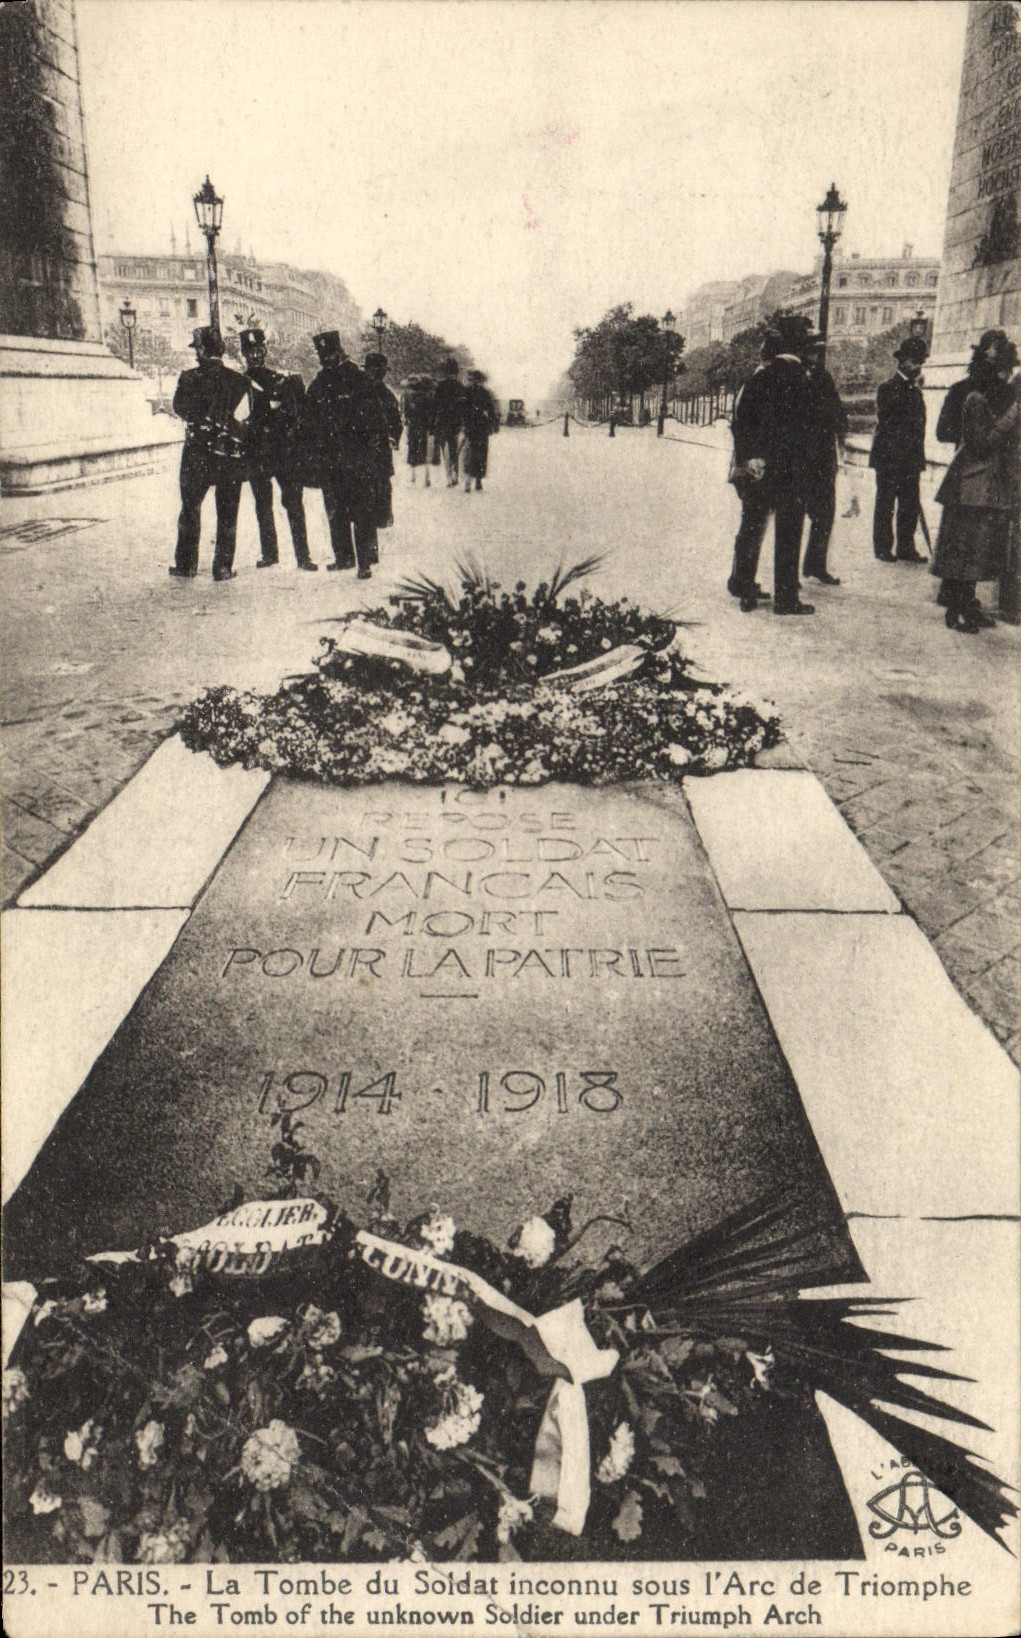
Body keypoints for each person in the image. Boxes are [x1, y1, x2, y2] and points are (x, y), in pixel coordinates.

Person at [930, 331, 1020, 633]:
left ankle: (966, 605)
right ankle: (957, 608)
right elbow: (978, 441)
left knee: (974, 548)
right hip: (971, 483)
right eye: (1006, 369)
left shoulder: (993, 394)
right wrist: (1006, 423)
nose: (1009, 376)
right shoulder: (975, 396)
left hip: (983, 482)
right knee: (965, 547)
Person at [726, 315, 816, 615]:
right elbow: (810, 431)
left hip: (760, 470)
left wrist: (751, 457)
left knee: (752, 526)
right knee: (789, 532)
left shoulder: (759, 377)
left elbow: (741, 423)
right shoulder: (802, 378)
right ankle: (786, 599)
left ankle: (743, 583)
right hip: (791, 471)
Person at [303, 331, 387, 578]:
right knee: (335, 508)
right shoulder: (319, 382)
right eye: (321, 355)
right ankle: (343, 558)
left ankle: (365, 562)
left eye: (329, 354)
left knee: (361, 510)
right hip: (330, 459)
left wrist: (372, 456)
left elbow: (375, 420)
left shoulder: (358, 379)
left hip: (357, 457)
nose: (325, 359)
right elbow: (308, 416)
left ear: (339, 352)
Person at [170, 326, 249, 581]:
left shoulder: (189, 378)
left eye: (198, 349)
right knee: (228, 511)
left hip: (197, 454)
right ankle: (223, 568)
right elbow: (246, 418)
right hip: (228, 454)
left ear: (203, 350)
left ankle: (186, 566)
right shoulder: (239, 381)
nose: (196, 354)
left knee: (190, 509)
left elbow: (180, 409)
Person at [238, 327, 317, 571]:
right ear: (243, 354)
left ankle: (303, 557)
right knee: (263, 504)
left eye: (259, 350)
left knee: (293, 503)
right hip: (256, 452)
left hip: (284, 452)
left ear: (265, 350)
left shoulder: (281, 380)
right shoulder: (238, 384)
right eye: (249, 351)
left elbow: (299, 414)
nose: (255, 355)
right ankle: (270, 553)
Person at [869, 335, 929, 563]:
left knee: (910, 504)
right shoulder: (888, 388)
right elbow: (890, 423)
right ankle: (883, 547)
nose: (918, 366)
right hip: (890, 458)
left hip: (911, 458)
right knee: (886, 504)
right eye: (915, 361)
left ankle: (906, 547)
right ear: (903, 361)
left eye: (920, 362)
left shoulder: (915, 390)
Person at [801, 334, 848, 586]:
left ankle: (816, 565)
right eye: (811, 352)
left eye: (818, 353)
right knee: (796, 516)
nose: (815, 357)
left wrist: (840, 426)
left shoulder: (823, 377)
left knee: (824, 514)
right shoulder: (794, 378)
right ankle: (789, 575)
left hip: (822, 458)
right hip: (800, 459)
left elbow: (838, 411)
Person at [362, 351, 403, 530]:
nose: (378, 374)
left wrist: (393, 437)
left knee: (383, 481)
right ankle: (374, 515)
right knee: (370, 481)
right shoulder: (360, 389)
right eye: (375, 370)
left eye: (381, 371)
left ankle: (383, 515)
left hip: (380, 444)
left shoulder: (386, 394)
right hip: (363, 444)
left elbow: (396, 420)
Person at [459, 369, 500, 492]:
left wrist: (463, 424)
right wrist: (494, 424)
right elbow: (491, 411)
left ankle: (470, 481)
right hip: (481, 428)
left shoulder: (466, 392)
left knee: (470, 454)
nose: (470, 381)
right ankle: (477, 480)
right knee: (480, 454)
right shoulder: (485, 393)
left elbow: (461, 410)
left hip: (472, 428)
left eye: (471, 379)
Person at [430, 357, 466, 486]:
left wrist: (432, 423)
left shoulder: (441, 386)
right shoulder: (461, 387)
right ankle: (454, 472)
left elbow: (434, 406)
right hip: (456, 423)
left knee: (444, 449)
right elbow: (465, 407)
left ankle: (449, 475)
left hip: (443, 422)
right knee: (453, 448)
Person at [401, 374, 434, 485]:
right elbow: (429, 411)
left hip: (413, 425)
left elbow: (404, 411)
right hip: (422, 425)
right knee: (423, 449)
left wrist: (406, 419)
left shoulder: (406, 395)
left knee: (412, 448)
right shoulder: (426, 396)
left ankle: (414, 475)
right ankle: (425, 477)